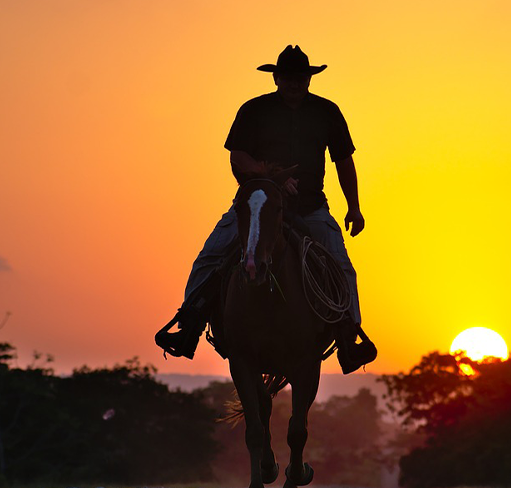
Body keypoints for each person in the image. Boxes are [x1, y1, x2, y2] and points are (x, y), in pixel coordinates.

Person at [155, 45, 376, 374]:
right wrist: (269, 176)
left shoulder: (328, 112)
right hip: (257, 203)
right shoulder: (253, 110)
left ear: (309, 79)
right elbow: (237, 158)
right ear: (276, 77)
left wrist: (354, 208)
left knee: (342, 266)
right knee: (212, 255)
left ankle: (348, 337)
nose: (294, 83)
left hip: (310, 205)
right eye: (288, 77)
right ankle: (188, 325)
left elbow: (344, 160)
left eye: (300, 77)